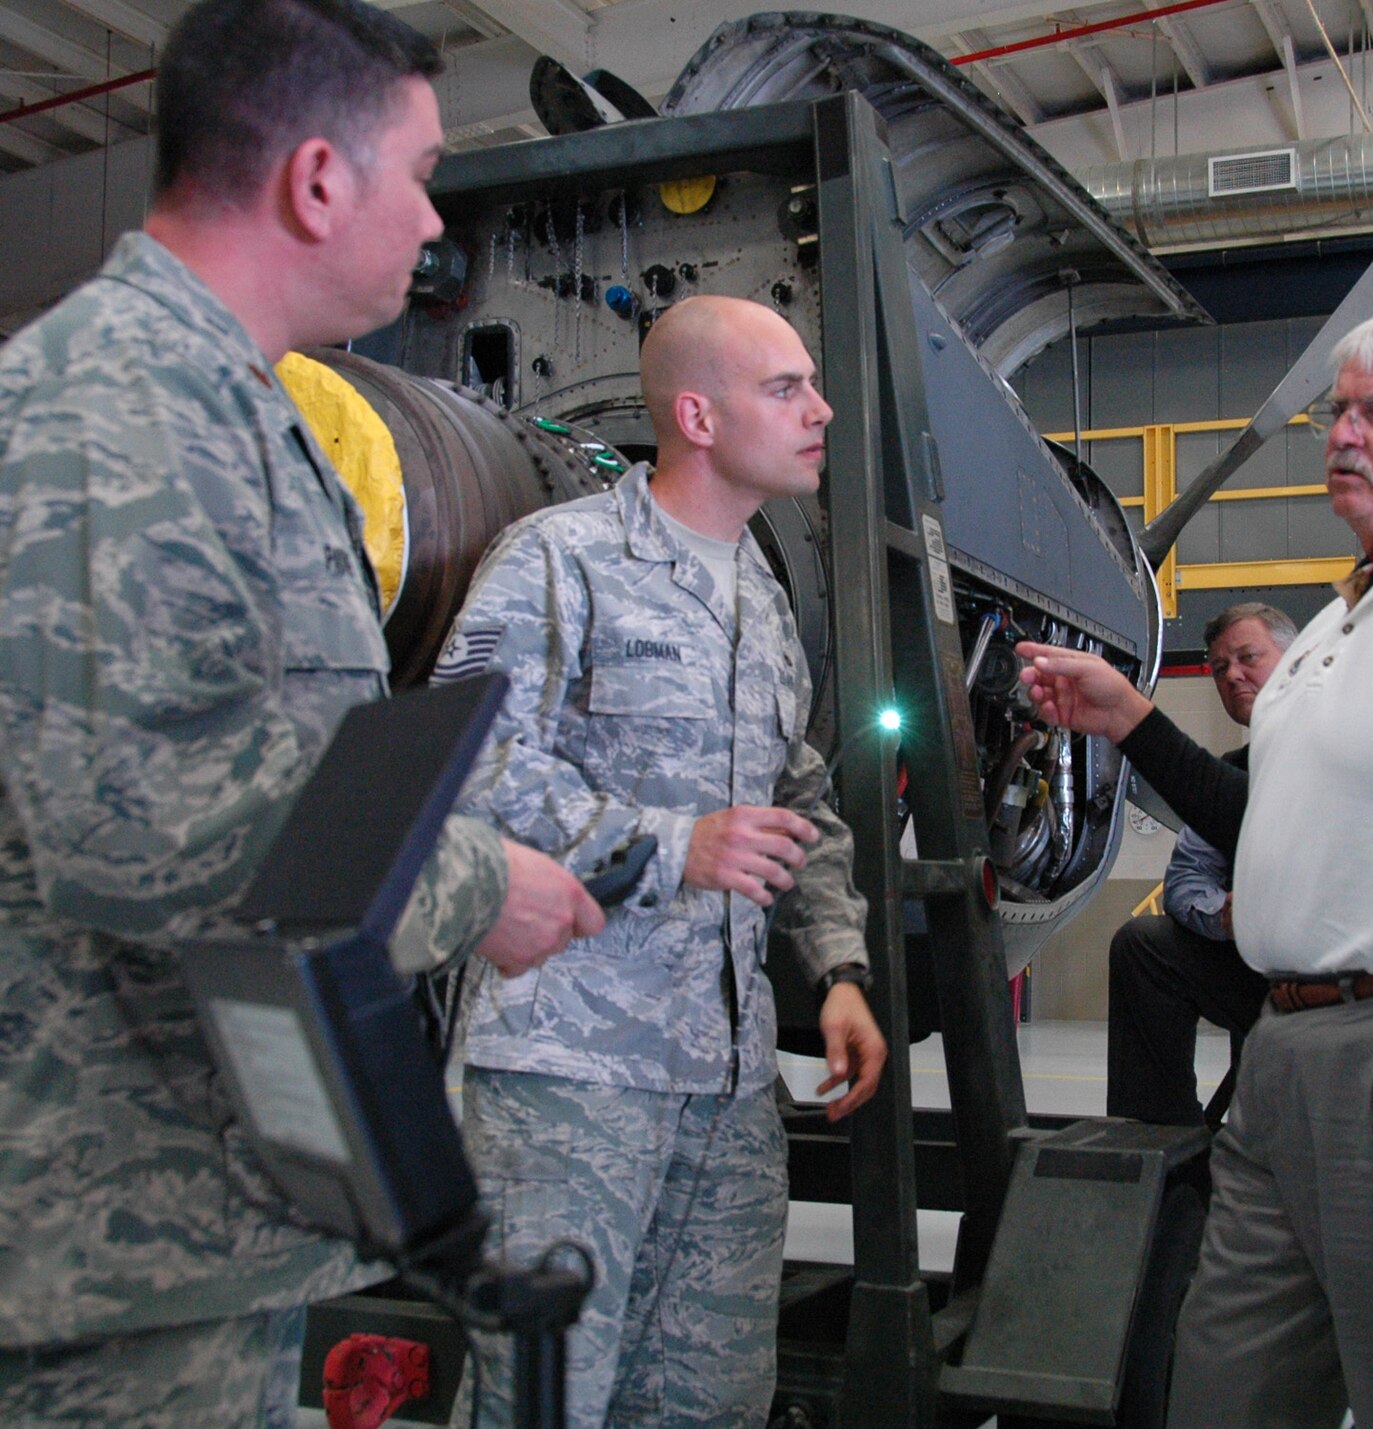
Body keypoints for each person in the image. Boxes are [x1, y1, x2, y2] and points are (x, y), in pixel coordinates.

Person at [0, 1, 601, 1421]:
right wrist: (477, 883)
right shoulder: (124, 411)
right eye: (423, 173)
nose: (434, 221)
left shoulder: (238, 411)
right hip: (104, 1261)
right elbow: (147, 833)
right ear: (319, 180)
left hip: (194, 1226)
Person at [1021, 306, 1373, 1429]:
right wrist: (1131, 720)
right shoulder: (1332, 629)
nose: (1342, 434)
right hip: (1283, 1052)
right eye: (1337, 411)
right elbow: (1262, 821)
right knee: (1230, 1384)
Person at [436, 293, 888, 1428]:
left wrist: (837, 967)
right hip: (570, 1073)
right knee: (543, 1398)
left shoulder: (760, 600)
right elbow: (461, 758)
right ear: (696, 415)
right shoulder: (564, 560)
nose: (819, 410)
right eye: (785, 388)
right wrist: (670, 844)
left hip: (725, 1086)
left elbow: (796, 799)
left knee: (709, 1401)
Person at [1107, 602, 1293, 1127]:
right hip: (1259, 971)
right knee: (1144, 945)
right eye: (1219, 667)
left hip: (1351, 977)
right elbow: (1187, 878)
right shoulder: (1229, 775)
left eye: (1248, 657)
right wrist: (1225, 916)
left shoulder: (1344, 748)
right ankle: (1164, 1140)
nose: (1232, 675)